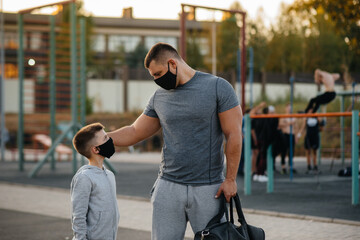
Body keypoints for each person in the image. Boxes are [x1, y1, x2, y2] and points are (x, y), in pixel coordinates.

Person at [108, 42, 242, 240]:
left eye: (158, 74)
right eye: (153, 76)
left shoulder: (217, 87)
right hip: (168, 188)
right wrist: (100, 138)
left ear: (172, 63)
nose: (156, 80)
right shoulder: (159, 97)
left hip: (209, 189)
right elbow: (135, 131)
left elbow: (234, 134)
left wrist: (230, 179)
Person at [71, 123, 120, 240]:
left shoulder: (109, 175)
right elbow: (78, 216)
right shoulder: (84, 178)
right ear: (96, 149)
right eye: (105, 138)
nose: (110, 140)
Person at [300, 109, 324, 174]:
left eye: (312, 110)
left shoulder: (317, 117)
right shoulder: (306, 118)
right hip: (308, 136)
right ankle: (309, 166)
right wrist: (299, 134)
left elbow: (321, 128)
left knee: (314, 151)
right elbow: (303, 127)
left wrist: (320, 121)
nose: (310, 112)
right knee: (308, 151)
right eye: (309, 111)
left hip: (315, 136)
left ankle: (315, 165)